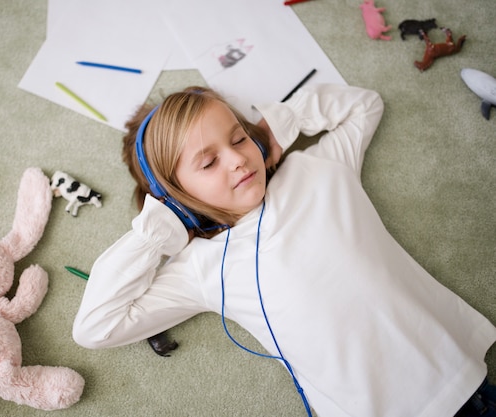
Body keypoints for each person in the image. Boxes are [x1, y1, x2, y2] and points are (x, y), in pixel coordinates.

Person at [73, 83, 496, 417]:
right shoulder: (200, 269)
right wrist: (155, 232)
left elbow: (365, 104)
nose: (238, 160)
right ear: (176, 197)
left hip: (459, 381)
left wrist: (277, 127)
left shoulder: (315, 169)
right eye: (208, 163)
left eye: (238, 140)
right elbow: (95, 328)